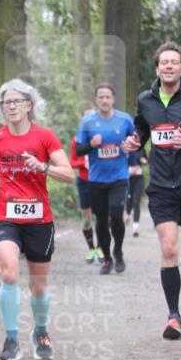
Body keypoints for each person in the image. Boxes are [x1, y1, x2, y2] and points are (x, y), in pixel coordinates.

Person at [0, 80, 74, 360]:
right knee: (9, 273)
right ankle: (11, 342)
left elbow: (69, 174)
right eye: (5, 102)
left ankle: (41, 333)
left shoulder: (44, 137)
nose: (10, 106)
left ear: (28, 105)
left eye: (16, 101)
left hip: (39, 220)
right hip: (5, 217)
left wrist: (43, 166)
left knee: (38, 287)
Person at [123, 41, 181, 339]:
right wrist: (135, 141)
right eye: (163, 62)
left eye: (173, 62)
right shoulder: (146, 100)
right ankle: (173, 316)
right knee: (168, 247)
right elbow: (141, 128)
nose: (168, 66)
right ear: (157, 69)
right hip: (161, 187)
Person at [75, 84, 135, 275]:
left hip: (119, 177)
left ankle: (118, 250)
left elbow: (136, 143)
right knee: (100, 221)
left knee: (116, 215)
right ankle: (107, 259)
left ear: (113, 99)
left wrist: (130, 148)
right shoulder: (87, 122)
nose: (104, 100)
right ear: (96, 99)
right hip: (96, 179)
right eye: (100, 97)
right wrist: (91, 145)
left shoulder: (124, 120)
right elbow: (78, 151)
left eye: (107, 97)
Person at [69, 113, 100, 263]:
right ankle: (91, 249)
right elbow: (72, 162)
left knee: (102, 218)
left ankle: (101, 249)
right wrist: (83, 164)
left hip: (100, 181)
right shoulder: (76, 140)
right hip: (84, 181)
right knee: (87, 218)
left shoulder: (101, 138)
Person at [125, 148, 147, 236]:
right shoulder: (125, 147)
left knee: (136, 201)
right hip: (128, 178)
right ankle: (128, 215)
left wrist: (144, 161)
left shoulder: (141, 148)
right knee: (129, 200)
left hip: (139, 178)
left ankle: (135, 228)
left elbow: (147, 160)